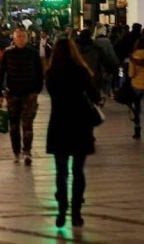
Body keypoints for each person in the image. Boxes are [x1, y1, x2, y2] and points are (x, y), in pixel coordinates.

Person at [45, 36, 98, 228]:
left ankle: (61, 210)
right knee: (78, 171)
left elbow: (52, 93)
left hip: (59, 123)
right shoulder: (81, 71)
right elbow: (94, 95)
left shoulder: (51, 73)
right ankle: (76, 214)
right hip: (79, 123)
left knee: (61, 171)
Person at [0, 27, 43, 165]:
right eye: (18, 36)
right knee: (14, 125)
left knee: (28, 124)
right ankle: (16, 152)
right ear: (14, 38)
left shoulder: (33, 53)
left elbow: (40, 72)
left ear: (27, 38)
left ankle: (27, 151)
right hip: (13, 93)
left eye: (23, 36)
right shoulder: (7, 53)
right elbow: (1, 73)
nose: (21, 39)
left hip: (29, 93)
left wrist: (37, 89)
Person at [79, 28, 118, 100]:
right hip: (94, 77)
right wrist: (110, 70)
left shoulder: (76, 50)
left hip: (79, 78)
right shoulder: (96, 50)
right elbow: (106, 62)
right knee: (94, 98)